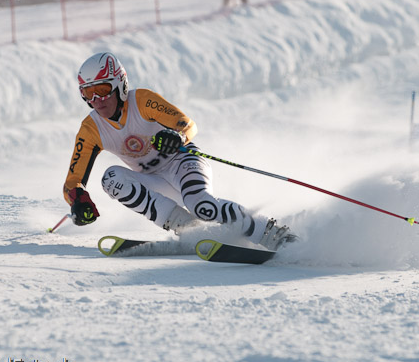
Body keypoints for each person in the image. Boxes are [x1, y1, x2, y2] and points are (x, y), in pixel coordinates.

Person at [62, 52, 294, 250]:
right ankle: (188, 229)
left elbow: (188, 124)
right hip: (154, 180)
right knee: (111, 178)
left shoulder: (142, 101)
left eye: (102, 90)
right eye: (87, 93)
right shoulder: (90, 129)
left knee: (201, 205)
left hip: (182, 162)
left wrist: (177, 136)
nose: (97, 100)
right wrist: (77, 201)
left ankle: (273, 235)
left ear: (119, 85)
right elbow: (73, 181)